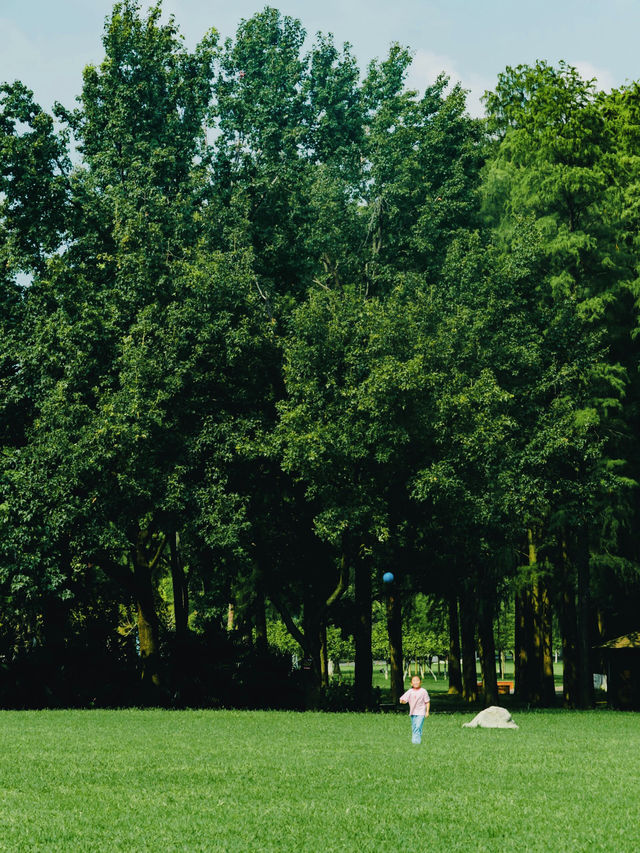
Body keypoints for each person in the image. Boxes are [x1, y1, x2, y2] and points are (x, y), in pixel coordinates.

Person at [399, 675, 430, 744]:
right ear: (411, 683)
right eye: (414, 681)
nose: (416, 682)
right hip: (413, 713)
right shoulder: (410, 691)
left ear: (420, 682)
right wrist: (402, 701)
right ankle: (416, 740)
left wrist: (427, 712)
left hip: (421, 712)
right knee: (414, 727)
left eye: (417, 680)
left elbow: (427, 702)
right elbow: (403, 700)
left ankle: (416, 743)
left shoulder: (423, 691)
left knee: (418, 726)